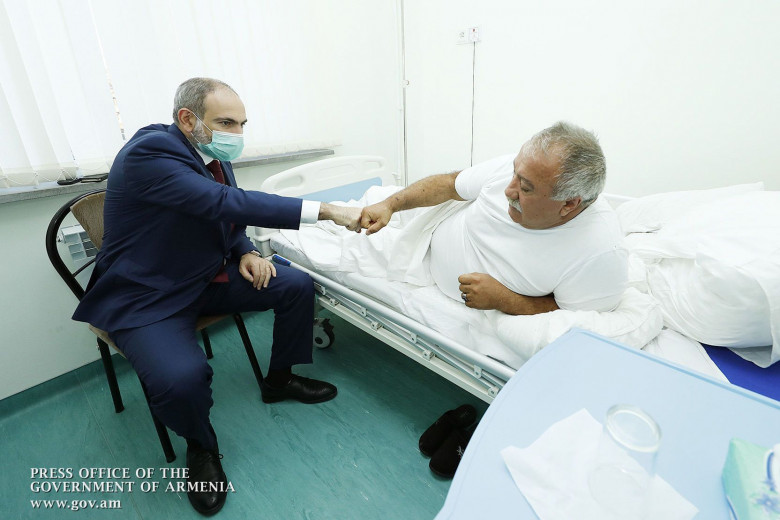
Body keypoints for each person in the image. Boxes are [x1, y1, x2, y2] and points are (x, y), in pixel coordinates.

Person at [72, 78, 362, 516]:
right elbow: (222, 200)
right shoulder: (149, 154)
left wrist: (245, 251)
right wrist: (327, 210)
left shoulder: (211, 155)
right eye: (226, 123)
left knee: (295, 285)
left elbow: (226, 215)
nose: (237, 134)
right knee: (180, 379)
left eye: (242, 124)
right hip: (148, 295)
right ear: (188, 119)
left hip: (206, 278)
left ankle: (279, 380)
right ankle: (201, 447)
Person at [359, 121, 627, 315]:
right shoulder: (522, 169)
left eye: (525, 188)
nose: (508, 190)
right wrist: (390, 205)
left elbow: (571, 317)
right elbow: (451, 185)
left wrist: (504, 299)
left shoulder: (599, 254)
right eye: (514, 174)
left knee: (353, 237)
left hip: (424, 266)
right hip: (429, 223)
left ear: (568, 204)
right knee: (361, 210)